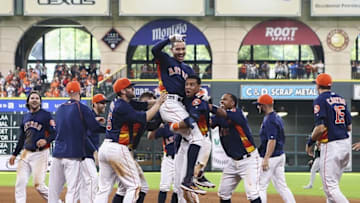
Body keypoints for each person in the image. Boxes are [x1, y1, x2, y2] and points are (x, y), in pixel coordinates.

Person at [94, 78, 166, 203]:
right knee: (134, 185)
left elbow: (144, 105)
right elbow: (146, 116)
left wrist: (161, 100)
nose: (132, 89)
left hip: (106, 148)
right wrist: (159, 103)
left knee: (104, 189)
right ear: (122, 91)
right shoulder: (123, 106)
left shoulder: (121, 102)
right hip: (117, 149)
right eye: (129, 87)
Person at [152, 34, 205, 201]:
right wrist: (170, 38)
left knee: (186, 143)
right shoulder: (166, 60)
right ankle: (190, 178)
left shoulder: (188, 70)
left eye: (183, 49)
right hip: (170, 102)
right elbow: (154, 49)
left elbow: (189, 93)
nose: (181, 51)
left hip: (181, 105)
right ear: (172, 49)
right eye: (178, 49)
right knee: (197, 138)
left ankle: (182, 182)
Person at [48, 81, 105, 203]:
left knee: (53, 191)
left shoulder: (60, 109)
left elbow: (67, 124)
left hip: (57, 154)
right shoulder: (82, 107)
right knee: (73, 191)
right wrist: (107, 127)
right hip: (73, 155)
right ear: (80, 92)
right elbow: (94, 127)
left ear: (68, 92)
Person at [306, 73, 351, 203]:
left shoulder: (320, 99)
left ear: (318, 85)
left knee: (330, 188)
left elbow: (320, 128)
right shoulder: (341, 99)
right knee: (333, 187)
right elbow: (349, 127)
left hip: (332, 147)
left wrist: (310, 142)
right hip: (345, 145)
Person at [210, 93, 261, 203]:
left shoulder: (237, 113)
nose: (222, 101)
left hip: (248, 160)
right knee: (223, 193)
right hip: (232, 162)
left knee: (252, 194)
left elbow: (222, 113)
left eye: (225, 100)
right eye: (221, 100)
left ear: (232, 103)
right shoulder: (219, 116)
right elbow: (210, 123)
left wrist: (209, 106)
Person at [9, 91, 56, 203]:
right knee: (20, 183)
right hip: (26, 153)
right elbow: (21, 138)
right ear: (28, 101)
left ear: (40, 101)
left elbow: (55, 132)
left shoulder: (46, 115)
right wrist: (14, 154)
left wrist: (46, 140)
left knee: (39, 185)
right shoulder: (25, 117)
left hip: (40, 153)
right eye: (32, 98)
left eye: (37, 98)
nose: (34, 100)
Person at [254, 94, 295, 203]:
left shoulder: (270, 119)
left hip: (271, 157)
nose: (258, 107)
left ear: (264, 105)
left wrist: (266, 158)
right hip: (279, 155)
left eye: (259, 105)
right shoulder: (276, 117)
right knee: (282, 186)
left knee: (261, 186)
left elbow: (272, 140)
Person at [78, 93, 109, 203]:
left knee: (84, 183)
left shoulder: (92, 117)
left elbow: (96, 129)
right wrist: (94, 151)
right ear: (94, 104)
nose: (104, 105)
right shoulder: (89, 115)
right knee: (92, 179)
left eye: (105, 103)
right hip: (85, 153)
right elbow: (84, 135)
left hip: (85, 153)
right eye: (102, 103)